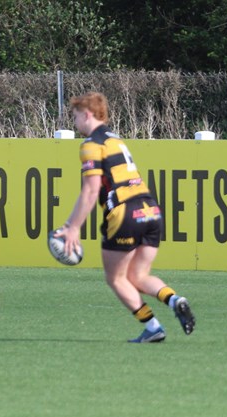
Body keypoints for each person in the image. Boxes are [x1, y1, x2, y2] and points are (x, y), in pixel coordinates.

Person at [57, 92, 195, 343]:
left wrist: (72, 227)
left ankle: (153, 327)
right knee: (138, 276)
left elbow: (90, 191)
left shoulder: (91, 145)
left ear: (86, 115)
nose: (74, 122)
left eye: (75, 116)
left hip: (124, 212)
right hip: (150, 209)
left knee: (116, 278)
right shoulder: (115, 140)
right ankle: (174, 299)